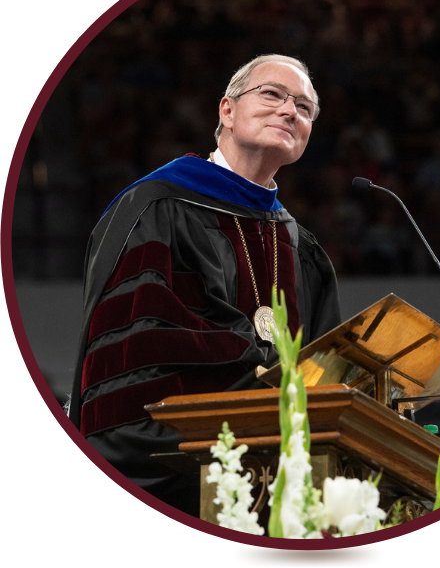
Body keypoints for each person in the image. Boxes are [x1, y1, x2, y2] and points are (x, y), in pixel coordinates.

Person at [67, 54, 342, 516]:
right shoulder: (156, 207)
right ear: (227, 111)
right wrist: (269, 385)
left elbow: (324, 367)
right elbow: (143, 349)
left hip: (280, 479)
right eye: (273, 94)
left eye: (305, 107)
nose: (290, 110)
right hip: (175, 467)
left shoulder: (302, 250)